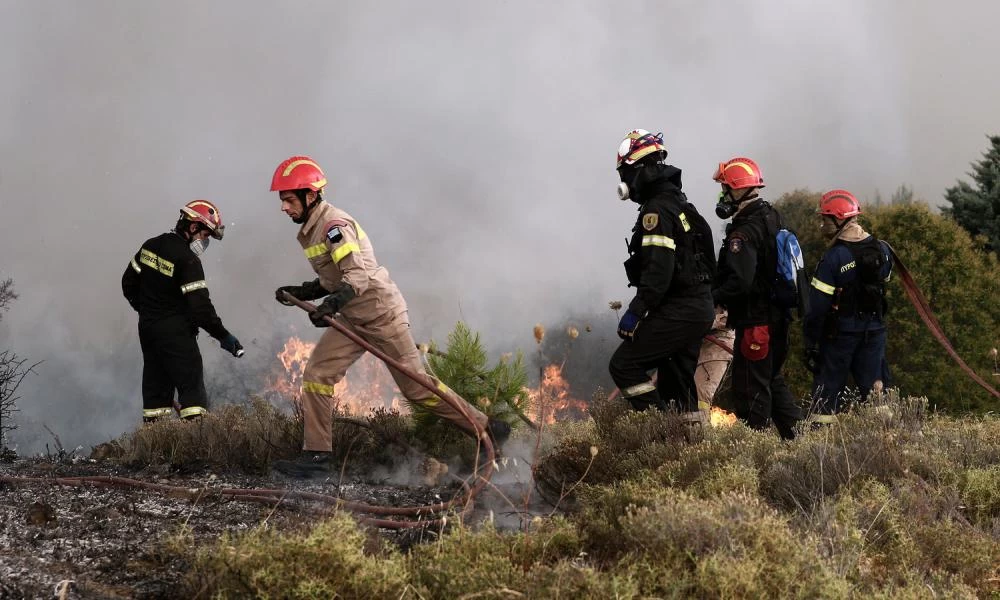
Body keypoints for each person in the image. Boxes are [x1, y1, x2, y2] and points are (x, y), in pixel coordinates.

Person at [268, 155, 508, 475]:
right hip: (354, 318)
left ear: (309, 195)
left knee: (419, 389)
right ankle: (317, 458)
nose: (284, 207)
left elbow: (357, 278)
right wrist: (304, 291)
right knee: (317, 374)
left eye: (287, 199)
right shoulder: (312, 228)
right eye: (283, 200)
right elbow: (333, 279)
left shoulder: (333, 226)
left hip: (382, 316)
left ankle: (487, 429)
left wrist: (330, 305)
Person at [608, 130, 716, 420]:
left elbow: (658, 272)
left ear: (640, 170)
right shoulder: (682, 205)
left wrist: (635, 313)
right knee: (677, 386)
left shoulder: (655, 211)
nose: (625, 182)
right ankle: (689, 451)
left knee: (623, 365)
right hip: (698, 307)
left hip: (680, 308)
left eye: (626, 173)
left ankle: (664, 429)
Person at [122, 200, 243, 422]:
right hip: (176, 333)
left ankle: (155, 443)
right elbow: (201, 309)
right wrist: (223, 335)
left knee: (155, 387)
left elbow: (128, 283)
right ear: (194, 227)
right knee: (191, 387)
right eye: (205, 235)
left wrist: (148, 310)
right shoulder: (188, 260)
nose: (205, 242)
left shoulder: (151, 245)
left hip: (148, 329)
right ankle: (194, 445)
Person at [711, 157, 801, 439]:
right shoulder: (772, 216)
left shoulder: (744, 231)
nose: (722, 195)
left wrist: (712, 298)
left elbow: (740, 281)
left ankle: (756, 451)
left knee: (750, 390)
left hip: (756, 324)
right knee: (771, 380)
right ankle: (801, 439)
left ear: (736, 190)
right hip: (778, 320)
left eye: (725, 188)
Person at [803, 189, 892, 424]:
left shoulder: (833, 258)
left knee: (826, 396)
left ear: (839, 219)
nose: (822, 225)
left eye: (825, 219)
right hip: (874, 333)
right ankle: (887, 442)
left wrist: (810, 341)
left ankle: (820, 446)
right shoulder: (881, 250)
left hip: (839, 336)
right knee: (877, 393)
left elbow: (817, 308)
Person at [695, 307, 736, 410]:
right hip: (700, 346)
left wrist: (696, 325)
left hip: (717, 348)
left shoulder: (728, 294)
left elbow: (727, 319)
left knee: (701, 396)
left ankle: (700, 424)